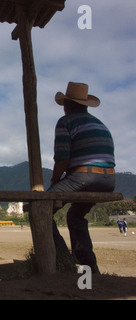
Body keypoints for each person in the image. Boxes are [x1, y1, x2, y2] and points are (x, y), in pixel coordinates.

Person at [48, 82, 115, 274]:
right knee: (75, 216)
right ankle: (89, 266)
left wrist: (54, 182)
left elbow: (62, 159)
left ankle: (63, 260)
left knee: (41, 209)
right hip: (109, 179)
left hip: (84, 176)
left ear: (66, 105)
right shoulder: (98, 123)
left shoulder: (66, 121)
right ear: (85, 105)